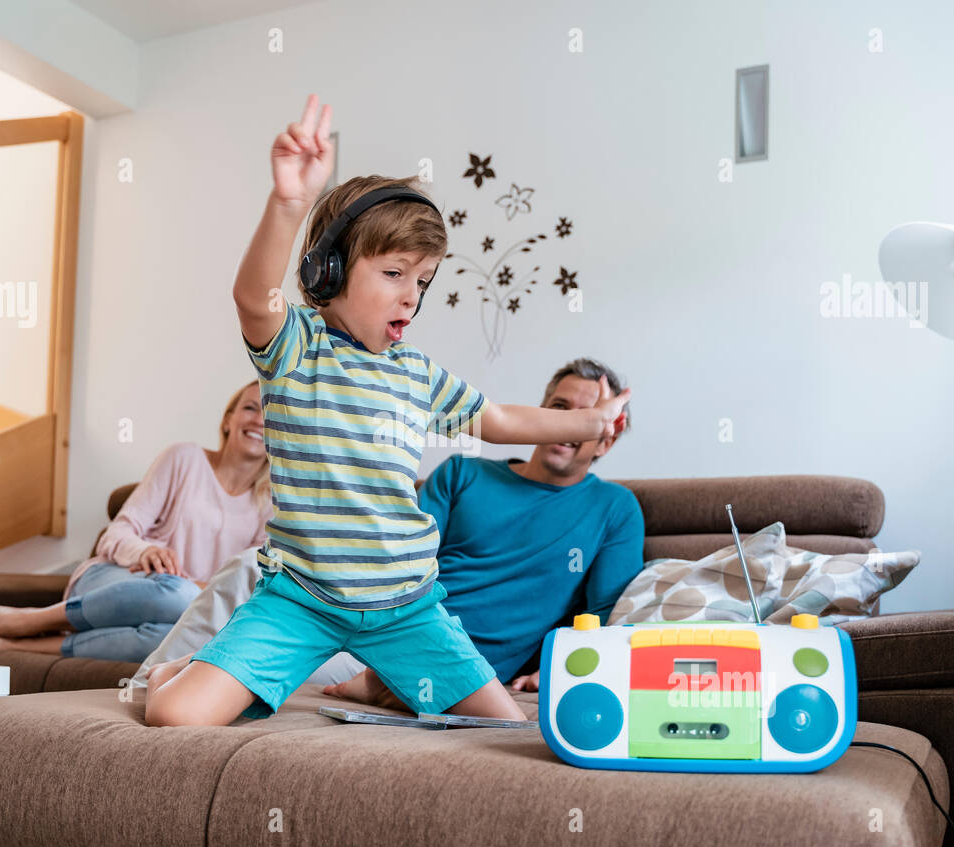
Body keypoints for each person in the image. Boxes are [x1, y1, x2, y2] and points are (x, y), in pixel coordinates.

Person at [145, 94, 630, 727]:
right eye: (395, 273)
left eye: (423, 282)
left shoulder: (417, 373)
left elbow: (503, 422)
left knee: (507, 727)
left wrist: (593, 424)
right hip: (300, 599)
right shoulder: (298, 347)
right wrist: (290, 203)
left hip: (408, 607)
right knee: (175, 719)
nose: (412, 296)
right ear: (329, 272)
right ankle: (168, 673)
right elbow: (252, 298)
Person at [323, 358, 643, 708]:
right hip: (377, 633)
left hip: (467, 671)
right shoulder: (462, 473)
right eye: (560, 409)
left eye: (586, 417)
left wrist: (567, 666)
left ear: (605, 442)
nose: (569, 425)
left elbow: (606, 613)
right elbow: (399, 563)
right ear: (541, 417)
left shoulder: (615, 508)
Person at [0, 380, 272, 661]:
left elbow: (246, 585)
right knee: (175, 595)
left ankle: (10, 644)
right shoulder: (183, 458)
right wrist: (143, 552)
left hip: (187, 606)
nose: (259, 420)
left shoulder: (273, 506)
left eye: (271, 413)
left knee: (173, 639)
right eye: (250, 408)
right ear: (228, 419)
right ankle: (30, 619)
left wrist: (195, 592)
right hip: (118, 579)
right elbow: (117, 533)